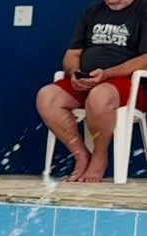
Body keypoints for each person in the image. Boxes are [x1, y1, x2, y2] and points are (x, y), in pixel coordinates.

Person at [36, 0, 147, 182]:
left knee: (99, 96)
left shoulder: (143, 9)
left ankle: (99, 156)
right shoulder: (93, 10)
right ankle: (81, 155)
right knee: (47, 97)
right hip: (87, 80)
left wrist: (107, 74)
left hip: (125, 84)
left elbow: (145, 60)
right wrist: (74, 74)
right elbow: (72, 54)